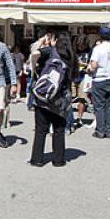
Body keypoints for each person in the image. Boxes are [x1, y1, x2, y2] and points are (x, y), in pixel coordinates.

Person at [29, 31, 76, 167]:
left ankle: (37, 159)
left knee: (40, 129)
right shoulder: (71, 56)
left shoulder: (50, 51)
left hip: (44, 96)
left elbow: (34, 53)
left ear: (55, 40)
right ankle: (58, 160)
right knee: (59, 130)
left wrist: (41, 42)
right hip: (62, 98)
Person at [89, 27, 110, 139]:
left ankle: (100, 130)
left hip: (100, 78)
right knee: (109, 105)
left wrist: (89, 70)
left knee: (99, 106)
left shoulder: (98, 48)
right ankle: (109, 130)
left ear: (100, 36)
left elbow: (94, 65)